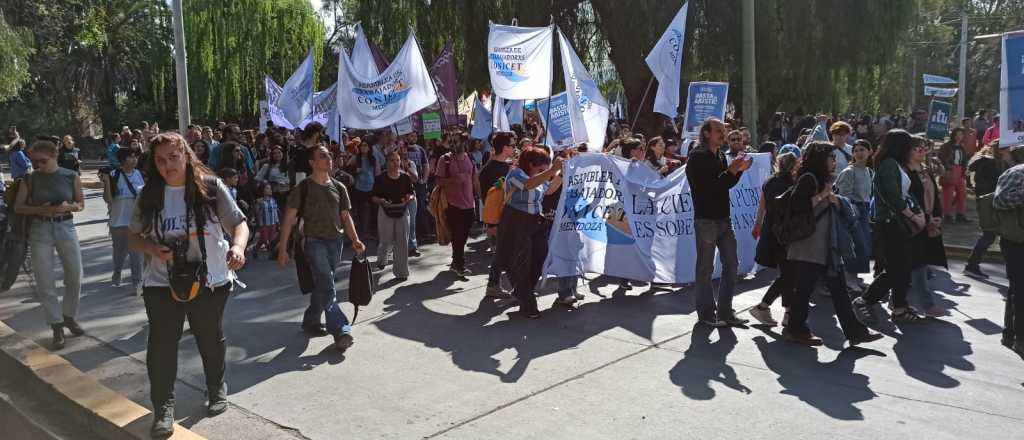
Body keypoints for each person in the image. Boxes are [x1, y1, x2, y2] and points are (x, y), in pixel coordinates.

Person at [127, 132, 248, 437]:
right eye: (159, 160)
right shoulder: (149, 194)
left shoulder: (209, 186)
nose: (167, 165)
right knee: (161, 345)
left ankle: (215, 387)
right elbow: (132, 236)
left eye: (173, 157)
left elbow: (239, 223)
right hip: (161, 281)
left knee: (210, 337)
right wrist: (154, 249)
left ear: (186, 155)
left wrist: (238, 247)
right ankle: (163, 408)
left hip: (209, 280)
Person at [779, 142, 883, 346]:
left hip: (826, 245)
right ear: (820, 159)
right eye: (830, 157)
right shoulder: (808, 179)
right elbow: (798, 206)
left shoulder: (824, 179)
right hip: (810, 245)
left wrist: (834, 199)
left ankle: (855, 331)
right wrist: (823, 195)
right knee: (804, 290)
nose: (834, 161)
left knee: (839, 291)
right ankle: (796, 329)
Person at [278, 145, 366, 345]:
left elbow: (345, 216)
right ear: (312, 162)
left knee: (323, 283)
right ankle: (341, 330)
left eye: (330, 156)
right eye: (323, 156)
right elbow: (289, 219)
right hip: (313, 242)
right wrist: (283, 249)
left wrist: (355, 239)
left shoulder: (339, 186)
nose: (329, 159)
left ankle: (310, 321)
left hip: (336, 242)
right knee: (327, 285)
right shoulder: (303, 188)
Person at [13, 139, 86, 350]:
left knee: (75, 276)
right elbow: (19, 207)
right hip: (40, 229)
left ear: (53, 156)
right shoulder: (30, 178)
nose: (37, 165)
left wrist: (68, 206)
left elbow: (80, 204)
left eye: (41, 161)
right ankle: (56, 326)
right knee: (45, 281)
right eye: (34, 161)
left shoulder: (70, 176)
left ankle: (69, 316)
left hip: (65, 227)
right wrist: (40, 210)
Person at [854, 130, 928, 324]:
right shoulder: (888, 165)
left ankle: (899, 306)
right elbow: (893, 196)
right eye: (910, 146)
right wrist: (914, 216)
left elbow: (905, 194)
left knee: (903, 267)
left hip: (898, 222)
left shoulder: (897, 165)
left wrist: (918, 212)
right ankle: (866, 300)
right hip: (890, 223)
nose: (913, 149)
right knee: (897, 268)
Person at [684, 118, 752, 327]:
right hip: (706, 220)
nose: (723, 134)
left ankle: (725, 312)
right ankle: (706, 314)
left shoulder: (720, 155)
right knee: (705, 268)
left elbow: (726, 184)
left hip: (724, 217)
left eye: (724, 130)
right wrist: (732, 170)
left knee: (732, 264)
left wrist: (738, 170)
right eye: (718, 131)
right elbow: (710, 188)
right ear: (706, 133)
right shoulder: (698, 157)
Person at [494, 147, 563, 318]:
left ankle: (522, 291)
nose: (544, 172)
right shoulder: (514, 175)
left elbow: (548, 190)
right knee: (521, 262)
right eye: (541, 169)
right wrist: (552, 170)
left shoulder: (540, 176)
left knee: (541, 257)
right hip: (516, 221)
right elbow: (527, 185)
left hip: (535, 221)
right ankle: (528, 304)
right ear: (531, 164)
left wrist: (561, 172)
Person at [749, 152, 799, 325]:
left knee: (788, 273)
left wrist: (758, 225)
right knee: (788, 273)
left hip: (771, 231)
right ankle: (765, 307)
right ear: (794, 166)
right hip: (784, 234)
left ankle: (786, 312)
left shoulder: (769, 181)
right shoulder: (792, 183)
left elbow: (761, 206)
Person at [907, 136, 948, 317]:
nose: (922, 151)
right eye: (918, 148)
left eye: (924, 148)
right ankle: (927, 304)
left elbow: (935, 195)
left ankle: (895, 299)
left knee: (918, 263)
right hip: (913, 222)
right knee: (917, 264)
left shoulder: (926, 170)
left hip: (929, 220)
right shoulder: (905, 171)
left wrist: (937, 216)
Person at [992, 145, 1024, 358]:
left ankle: (1010, 333)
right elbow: (1000, 201)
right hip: (1017, 240)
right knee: (1020, 289)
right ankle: (1019, 338)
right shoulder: (1016, 173)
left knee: (1017, 288)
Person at [434, 134, 480, 276]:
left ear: (464, 143)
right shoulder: (445, 159)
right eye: (451, 141)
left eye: (456, 141)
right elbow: (438, 180)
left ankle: (456, 261)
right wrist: (453, 180)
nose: (453, 144)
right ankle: (459, 264)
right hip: (452, 204)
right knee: (458, 234)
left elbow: (475, 178)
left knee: (464, 235)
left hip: (469, 203)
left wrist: (479, 195)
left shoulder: (470, 158)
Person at [102, 148, 145, 294]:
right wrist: (106, 181)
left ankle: (137, 281)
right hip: (118, 220)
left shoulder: (139, 174)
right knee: (120, 251)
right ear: (122, 160)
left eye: (135, 157)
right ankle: (117, 271)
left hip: (135, 220)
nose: (134, 160)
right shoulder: (114, 175)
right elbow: (108, 198)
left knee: (136, 252)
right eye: (130, 157)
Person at [964, 142, 1009, 278]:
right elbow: (993, 183)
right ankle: (972, 265)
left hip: (988, 200)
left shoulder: (989, 161)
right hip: (990, 201)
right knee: (990, 234)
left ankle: (972, 265)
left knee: (993, 235)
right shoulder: (991, 163)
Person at [834, 139, 874, 289]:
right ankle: (849, 279)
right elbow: (844, 196)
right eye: (856, 150)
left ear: (870, 152)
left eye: (862, 149)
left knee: (863, 245)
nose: (859, 153)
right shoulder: (849, 171)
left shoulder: (869, 171)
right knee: (854, 245)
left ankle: (855, 277)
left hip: (864, 210)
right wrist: (852, 214)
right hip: (853, 210)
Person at [481, 133, 515, 298]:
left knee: (504, 253)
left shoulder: (508, 166)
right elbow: (488, 198)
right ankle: (495, 285)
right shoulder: (491, 169)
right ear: (504, 147)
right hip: (496, 220)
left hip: (508, 217)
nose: (514, 148)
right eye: (512, 145)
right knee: (502, 254)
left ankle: (510, 285)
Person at [371, 152, 415, 281]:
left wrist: (409, 198)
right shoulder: (380, 179)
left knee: (402, 241)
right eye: (392, 160)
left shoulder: (405, 178)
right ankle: (382, 259)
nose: (395, 163)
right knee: (386, 240)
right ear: (386, 162)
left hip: (402, 211)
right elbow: (373, 197)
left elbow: (412, 193)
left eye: (397, 160)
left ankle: (401, 272)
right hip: (385, 211)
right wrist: (382, 201)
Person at [346, 140, 379, 237]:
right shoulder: (356, 157)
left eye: (365, 145)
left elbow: (377, 173)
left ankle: (367, 231)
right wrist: (355, 171)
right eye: (362, 145)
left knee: (369, 211)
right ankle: (360, 232)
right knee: (360, 211)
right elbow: (347, 166)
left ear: (369, 147)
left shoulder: (373, 158)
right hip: (359, 188)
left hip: (370, 187)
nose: (363, 147)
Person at [939, 127, 970, 223]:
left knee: (962, 193)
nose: (959, 137)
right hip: (950, 169)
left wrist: (965, 170)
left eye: (961, 135)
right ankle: (947, 215)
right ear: (953, 135)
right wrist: (946, 169)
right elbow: (942, 158)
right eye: (957, 135)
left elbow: (964, 160)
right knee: (948, 194)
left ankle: (960, 214)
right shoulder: (946, 146)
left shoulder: (962, 147)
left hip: (960, 170)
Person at [251, 182, 280, 259]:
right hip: (263, 224)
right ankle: (256, 249)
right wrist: (258, 222)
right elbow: (256, 213)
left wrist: (277, 222)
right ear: (262, 190)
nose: (270, 190)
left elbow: (275, 212)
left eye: (270, 188)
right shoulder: (259, 201)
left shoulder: (273, 200)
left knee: (271, 239)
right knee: (264, 238)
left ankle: (271, 254)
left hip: (273, 223)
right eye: (267, 188)